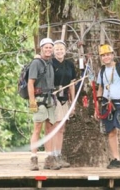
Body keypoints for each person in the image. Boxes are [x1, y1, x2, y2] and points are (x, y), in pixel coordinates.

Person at [44, 39, 76, 170]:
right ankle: (51, 156)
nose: (59, 51)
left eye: (61, 49)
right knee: (54, 126)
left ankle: (58, 154)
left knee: (61, 128)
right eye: (56, 49)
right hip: (53, 97)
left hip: (64, 97)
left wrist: (72, 102)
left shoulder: (69, 64)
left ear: (65, 50)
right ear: (53, 51)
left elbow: (72, 84)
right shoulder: (49, 63)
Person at [28, 38, 56, 171]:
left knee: (49, 129)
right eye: (46, 47)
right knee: (37, 128)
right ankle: (34, 159)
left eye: (51, 47)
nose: (49, 49)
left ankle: (49, 159)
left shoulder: (50, 63)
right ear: (41, 48)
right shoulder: (36, 63)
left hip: (50, 99)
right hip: (39, 99)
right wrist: (32, 102)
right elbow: (30, 83)